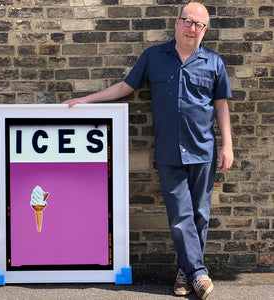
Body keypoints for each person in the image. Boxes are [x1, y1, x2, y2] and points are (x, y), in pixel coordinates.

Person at [63, 2, 233, 299]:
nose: (192, 29)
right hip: (169, 151)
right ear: (177, 22)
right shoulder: (153, 57)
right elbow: (125, 87)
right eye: (187, 21)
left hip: (204, 149)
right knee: (181, 216)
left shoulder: (214, 62)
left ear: (205, 31)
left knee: (200, 216)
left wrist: (228, 145)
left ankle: (185, 274)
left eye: (199, 25)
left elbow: (221, 106)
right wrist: (88, 100)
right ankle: (199, 274)